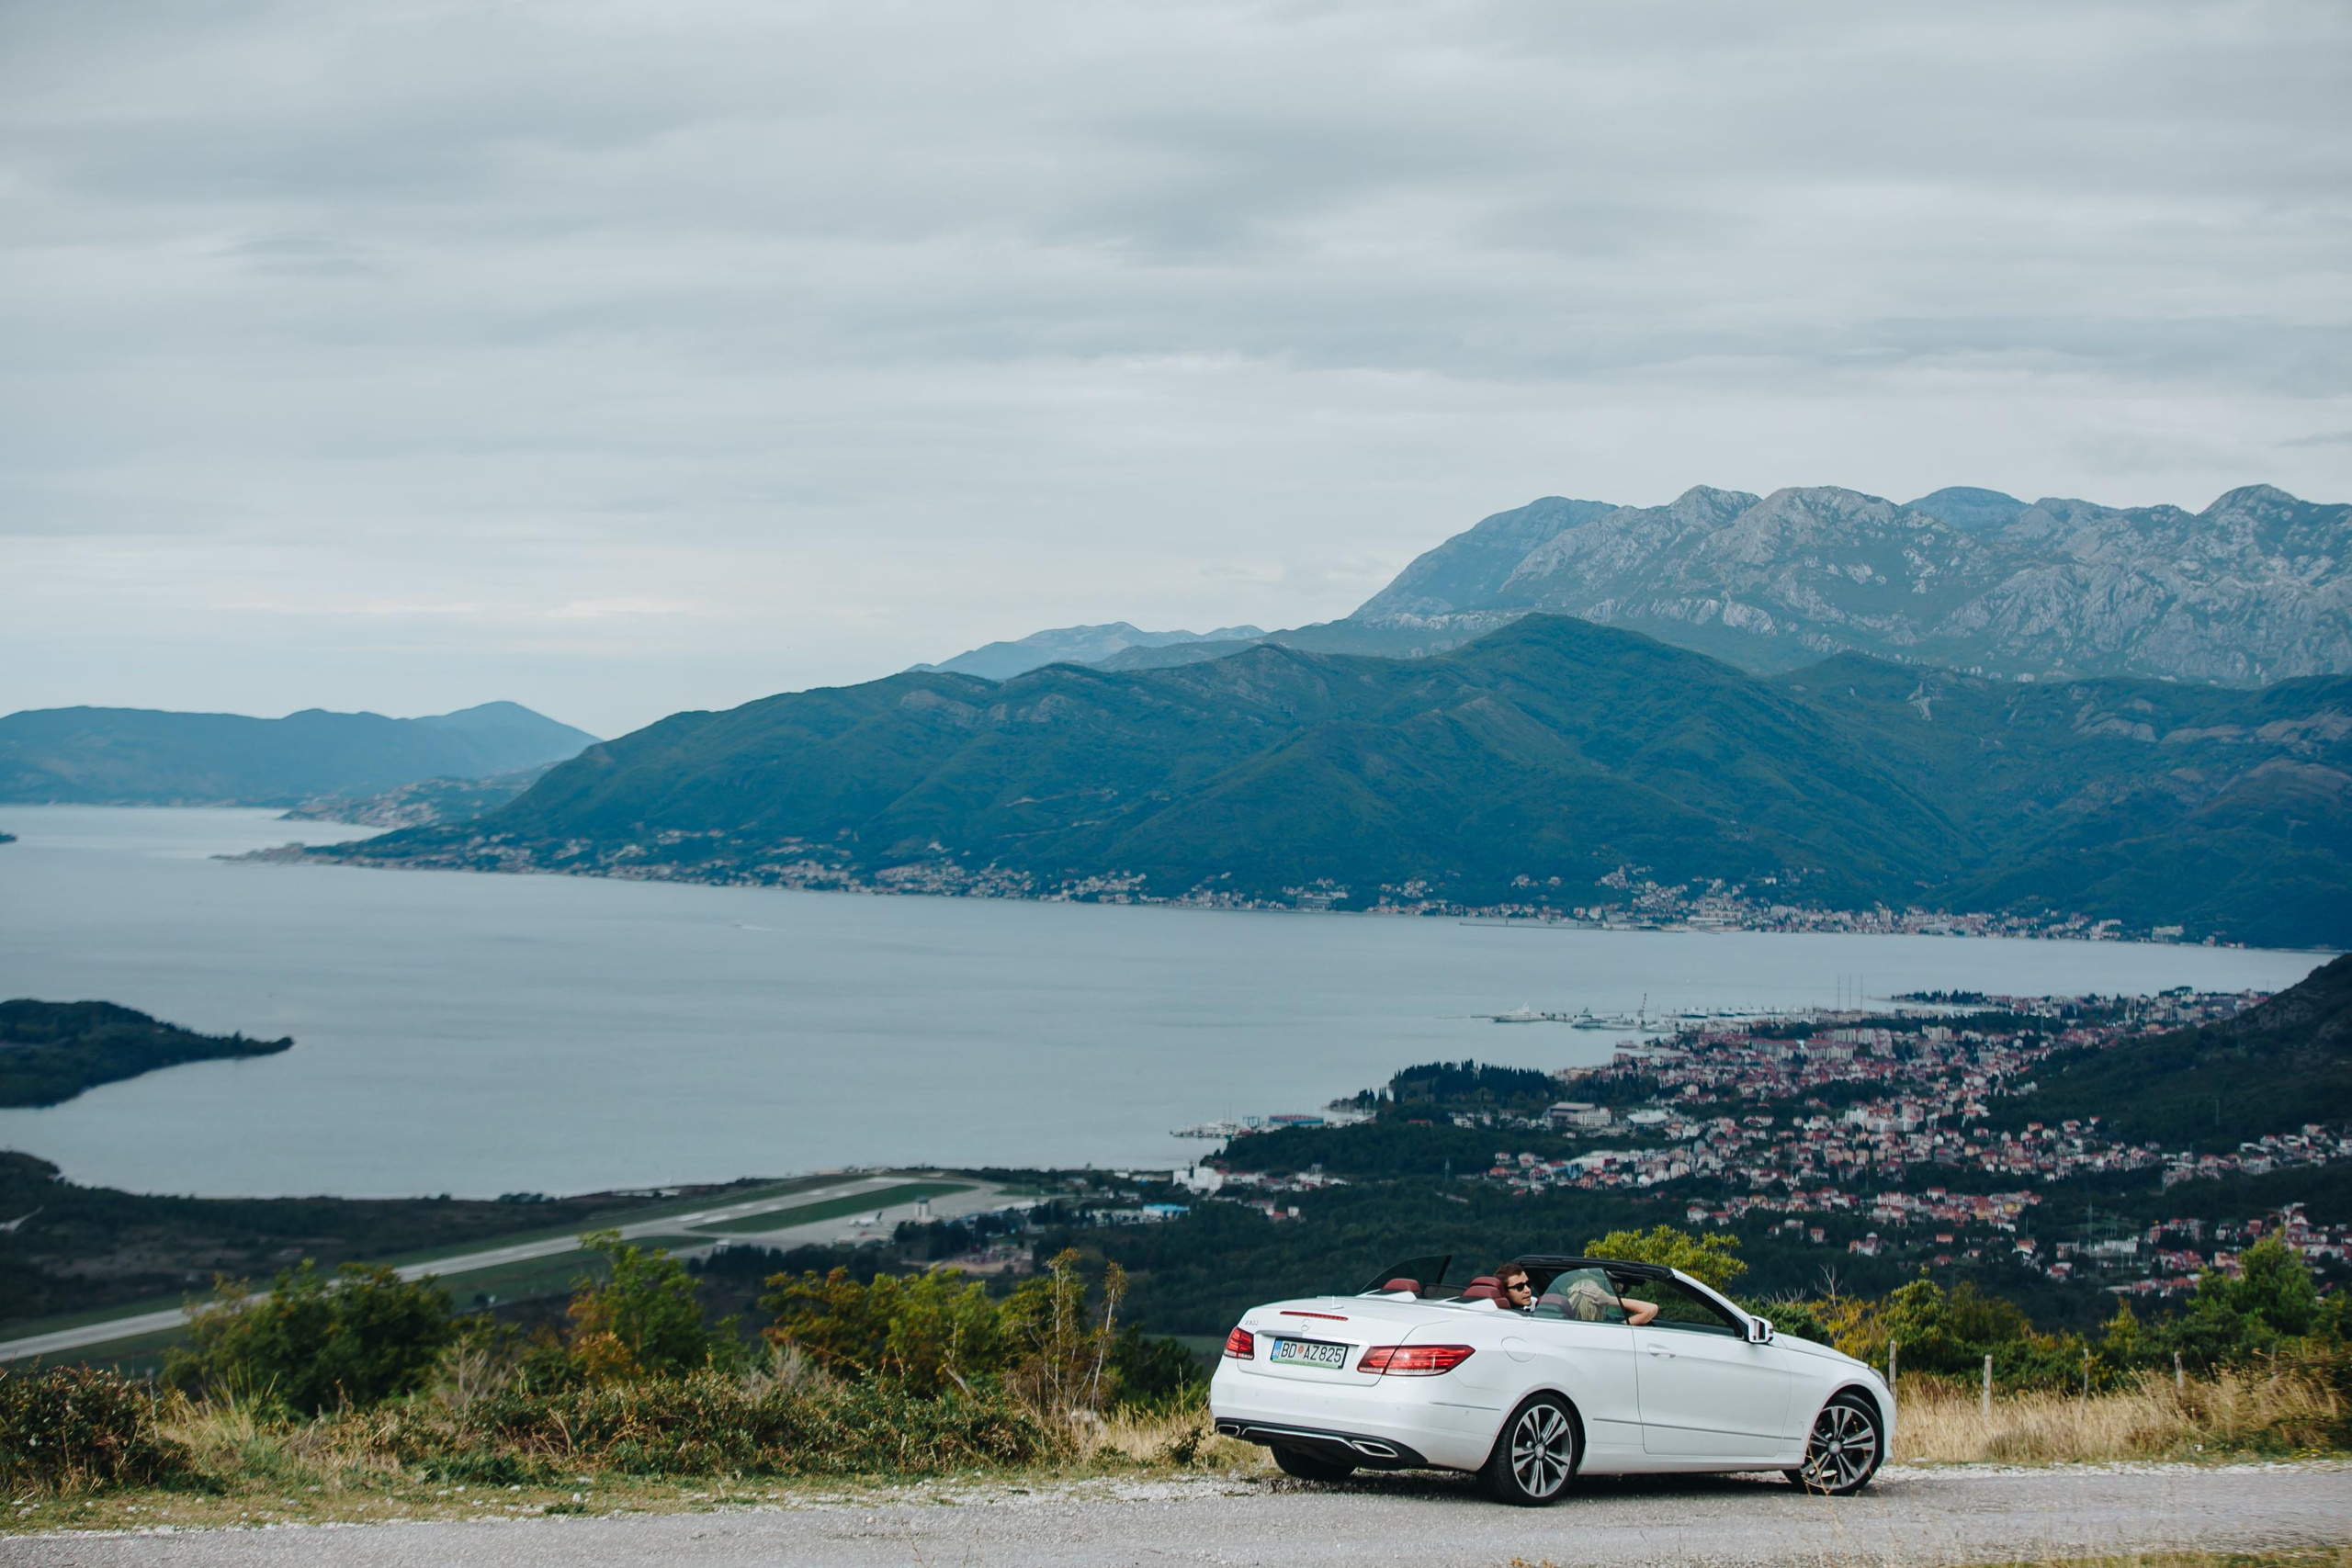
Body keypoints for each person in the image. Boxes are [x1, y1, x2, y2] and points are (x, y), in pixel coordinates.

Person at [1558, 1268, 1660, 1325]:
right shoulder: (1611, 1328)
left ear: (1572, 1300)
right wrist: (1610, 1300)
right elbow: (1651, 1309)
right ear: (1599, 1305)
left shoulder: (1560, 1325)